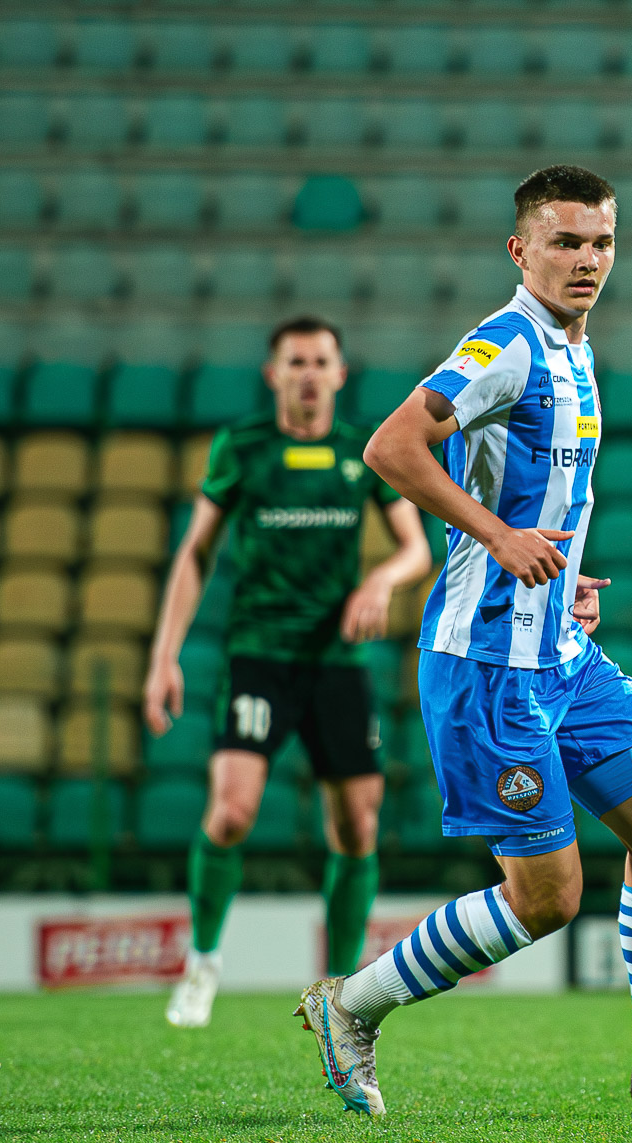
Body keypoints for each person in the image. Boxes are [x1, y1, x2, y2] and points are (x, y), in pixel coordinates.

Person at [291, 165, 632, 1118]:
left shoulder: (574, 349)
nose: (587, 260)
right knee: (548, 898)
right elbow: (390, 447)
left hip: (562, 653)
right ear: (521, 250)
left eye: (601, 242)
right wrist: (499, 539)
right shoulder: (507, 344)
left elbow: (540, 495)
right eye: (565, 242)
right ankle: (351, 1005)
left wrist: (565, 578)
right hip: (489, 666)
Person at [147, 317, 433, 1029]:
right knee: (231, 812)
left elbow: (415, 550)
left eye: (320, 361)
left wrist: (380, 581)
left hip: (337, 661)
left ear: (340, 374)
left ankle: (338, 994)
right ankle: (202, 963)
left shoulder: (360, 451)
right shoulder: (242, 447)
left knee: (357, 828)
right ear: (273, 374)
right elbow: (195, 553)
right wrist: (164, 657)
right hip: (259, 655)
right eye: (295, 362)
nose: (308, 374)